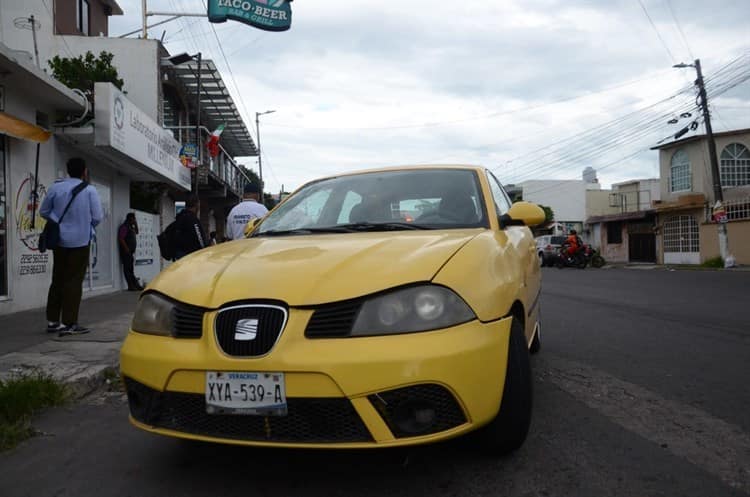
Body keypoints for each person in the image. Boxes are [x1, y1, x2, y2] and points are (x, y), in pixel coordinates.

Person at [40, 157, 103, 336]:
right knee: (74, 281)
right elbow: (97, 217)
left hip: (58, 241)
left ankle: (53, 321)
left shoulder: (56, 187)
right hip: (80, 242)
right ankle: (70, 323)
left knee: (57, 279)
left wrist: (60, 222)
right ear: (84, 171)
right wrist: (83, 223)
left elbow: (43, 212)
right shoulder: (90, 190)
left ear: (68, 171)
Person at [174, 195, 207, 259]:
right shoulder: (192, 219)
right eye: (199, 204)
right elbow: (199, 238)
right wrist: (204, 250)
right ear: (196, 204)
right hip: (190, 256)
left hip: (179, 255)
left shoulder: (180, 217)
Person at [118, 213, 143, 291]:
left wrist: (136, 224)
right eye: (134, 219)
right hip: (126, 252)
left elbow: (137, 232)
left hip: (130, 252)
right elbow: (121, 238)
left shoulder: (130, 227)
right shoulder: (124, 227)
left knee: (131, 269)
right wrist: (127, 249)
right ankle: (130, 286)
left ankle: (135, 285)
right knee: (127, 269)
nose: (134, 220)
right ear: (130, 219)